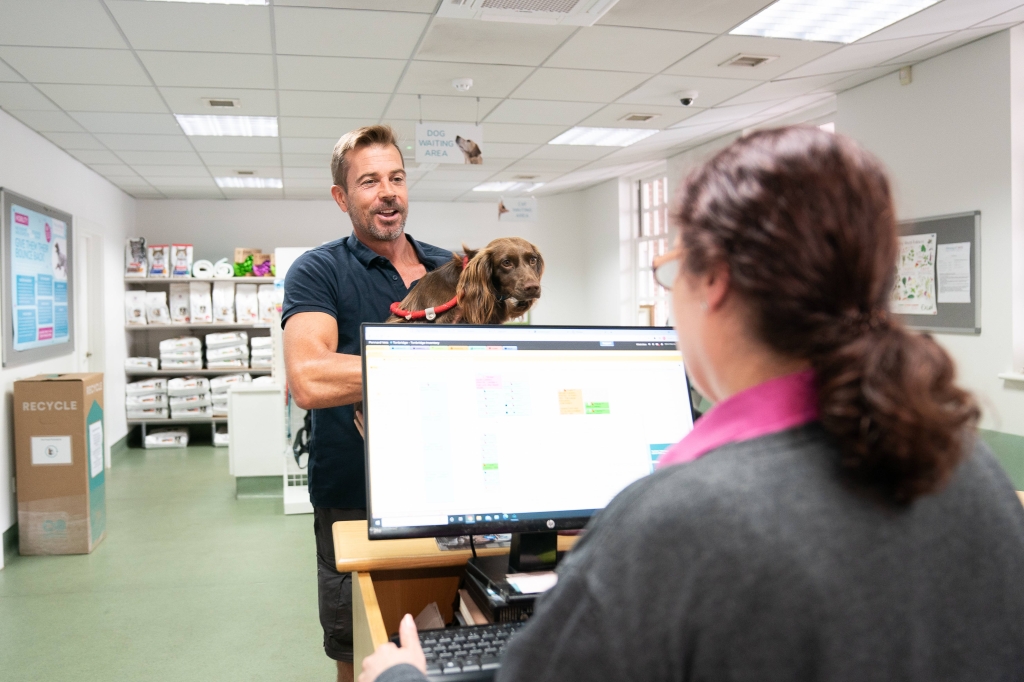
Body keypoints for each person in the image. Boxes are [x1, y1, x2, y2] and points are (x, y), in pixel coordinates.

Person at [359, 127, 1024, 682]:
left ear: (716, 284)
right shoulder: (966, 467)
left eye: (673, 270)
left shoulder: (671, 524)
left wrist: (397, 676)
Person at [282, 125, 453, 682]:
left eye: (397, 178)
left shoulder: (449, 267)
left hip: (447, 490)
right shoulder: (319, 270)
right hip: (355, 497)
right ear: (342, 196)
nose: (388, 192)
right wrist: (425, 361)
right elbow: (308, 376)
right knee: (359, 656)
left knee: (455, 640)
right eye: (370, 181)